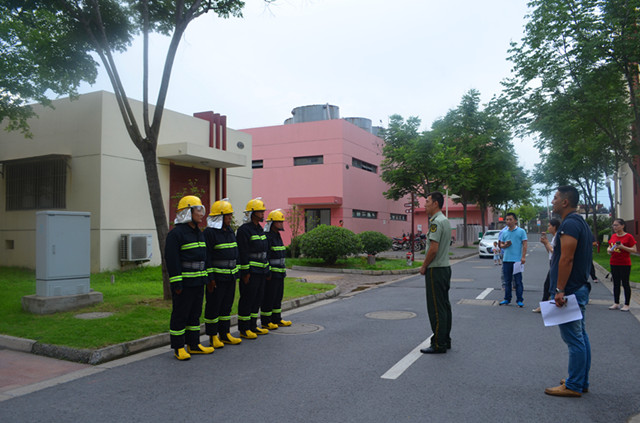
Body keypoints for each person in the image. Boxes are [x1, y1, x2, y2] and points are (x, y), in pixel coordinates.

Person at [545, 186, 592, 397]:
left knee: (574, 339)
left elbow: (567, 258)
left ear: (565, 202)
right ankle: (580, 380)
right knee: (580, 336)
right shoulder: (578, 222)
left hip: (570, 290)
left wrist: (559, 289)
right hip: (577, 288)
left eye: (555, 198)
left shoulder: (570, 224)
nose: (553, 201)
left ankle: (574, 385)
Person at [165, 195, 214, 360]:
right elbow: (172, 261)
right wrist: (177, 284)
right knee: (180, 315)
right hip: (184, 284)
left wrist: (207, 278)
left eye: (201, 210)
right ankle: (179, 347)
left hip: (198, 282)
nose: (201, 214)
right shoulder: (176, 234)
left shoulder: (199, 233)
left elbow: (204, 258)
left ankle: (193, 345)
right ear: (188, 212)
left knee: (195, 315)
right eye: (198, 210)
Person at [203, 199, 242, 348]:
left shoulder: (229, 231)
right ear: (219, 216)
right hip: (217, 278)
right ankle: (213, 336)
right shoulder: (210, 233)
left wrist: (237, 273)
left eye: (230, 215)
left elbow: (235, 251)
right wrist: (210, 278)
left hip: (230, 276)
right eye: (227, 215)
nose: (230, 218)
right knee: (214, 307)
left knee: (226, 306)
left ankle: (225, 334)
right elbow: (207, 257)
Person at [419, 191, 452, 354]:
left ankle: (438, 343)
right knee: (444, 305)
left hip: (436, 269)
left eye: (427, 201)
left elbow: (433, 248)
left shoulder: (436, 222)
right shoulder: (444, 220)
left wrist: (424, 266)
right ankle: (445, 339)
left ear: (435, 203)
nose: (425, 205)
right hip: (444, 267)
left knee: (436, 308)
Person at [236, 198, 270, 339]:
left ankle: (253, 326)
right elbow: (243, 252)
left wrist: (267, 270)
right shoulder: (244, 230)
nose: (263, 214)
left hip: (261, 271)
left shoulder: (259, 229)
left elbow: (264, 251)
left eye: (263, 211)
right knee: (247, 299)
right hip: (251, 272)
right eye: (260, 211)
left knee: (257, 299)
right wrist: (245, 272)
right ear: (252, 213)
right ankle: (244, 329)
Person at [261, 209, 292, 329]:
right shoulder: (267, 237)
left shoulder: (277, 235)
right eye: (279, 222)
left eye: (281, 222)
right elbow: (266, 256)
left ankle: (277, 319)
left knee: (278, 297)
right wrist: (267, 271)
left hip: (280, 273)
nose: (281, 224)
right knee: (269, 297)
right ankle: (266, 321)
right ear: (272, 223)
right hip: (272, 274)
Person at [607, 218, 637, 312]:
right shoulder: (613, 236)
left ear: (622, 226)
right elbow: (610, 246)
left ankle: (627, 304)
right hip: (614, 262)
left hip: (624, 263)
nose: (614, 227)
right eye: (613, 225)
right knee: (616, 283)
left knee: (625, 283)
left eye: (616, 225)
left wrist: (623, 247)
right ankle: (616, 302)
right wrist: (609, 250)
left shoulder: (628, 237)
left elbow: (634, 250)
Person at [498, 213, 528, 307]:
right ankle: (507, 299)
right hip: (506, 260)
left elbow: (525, 244)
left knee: (518, 281)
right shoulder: (504, 232)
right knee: (507, 281)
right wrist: (505, 245)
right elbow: (501, 245)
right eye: (507, 219)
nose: (508, 221)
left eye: (510, 219)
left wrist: (523, 257)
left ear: (515, 221)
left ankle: (519, 299)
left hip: (517, 260)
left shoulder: (521, 231)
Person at [532, 218, 560, 313]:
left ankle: (545, 306)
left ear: (554, 227)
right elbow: (550, 251)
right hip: (552, 262)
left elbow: (555, 252)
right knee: (548, 285)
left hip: (556, 264)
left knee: (549, 285)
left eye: (549, 226)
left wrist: (547, 243)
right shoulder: (554, 237)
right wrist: (545, 243)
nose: (548, 228)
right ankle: (545, 305)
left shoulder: (558, 237)